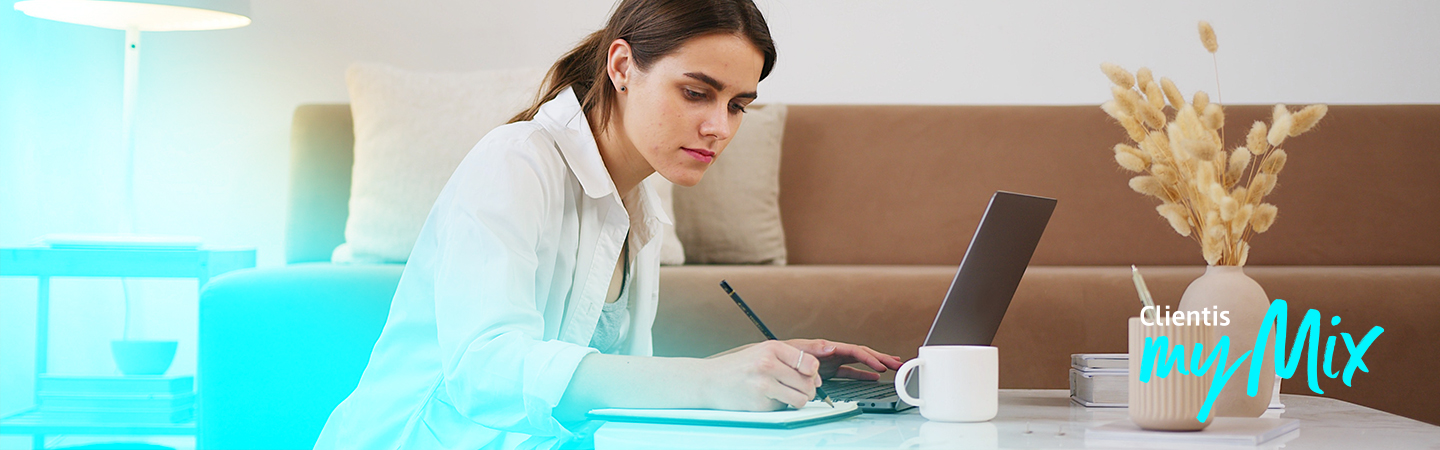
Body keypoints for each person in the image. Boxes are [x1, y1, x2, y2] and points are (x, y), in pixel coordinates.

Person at [314, 1, 904, 448]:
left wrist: (768, 371)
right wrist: (707, 380)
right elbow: (484, 370)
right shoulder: (516, 160)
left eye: (736, 105)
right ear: (622, 66)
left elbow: (617, 388)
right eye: (697, 93)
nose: (719, 127)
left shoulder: (637, 203)